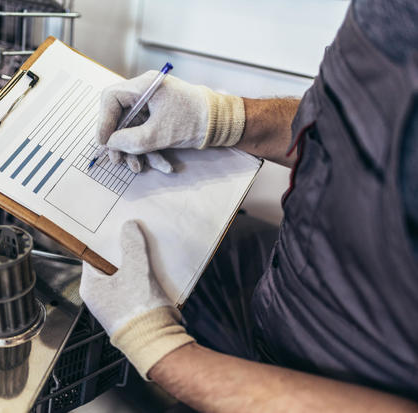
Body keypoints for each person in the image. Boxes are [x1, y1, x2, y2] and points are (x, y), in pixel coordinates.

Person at [79, 1, 418, 411]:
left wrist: (159, 350)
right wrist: (222, 118)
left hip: (328, 381)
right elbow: (342, 127)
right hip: (280, 279)